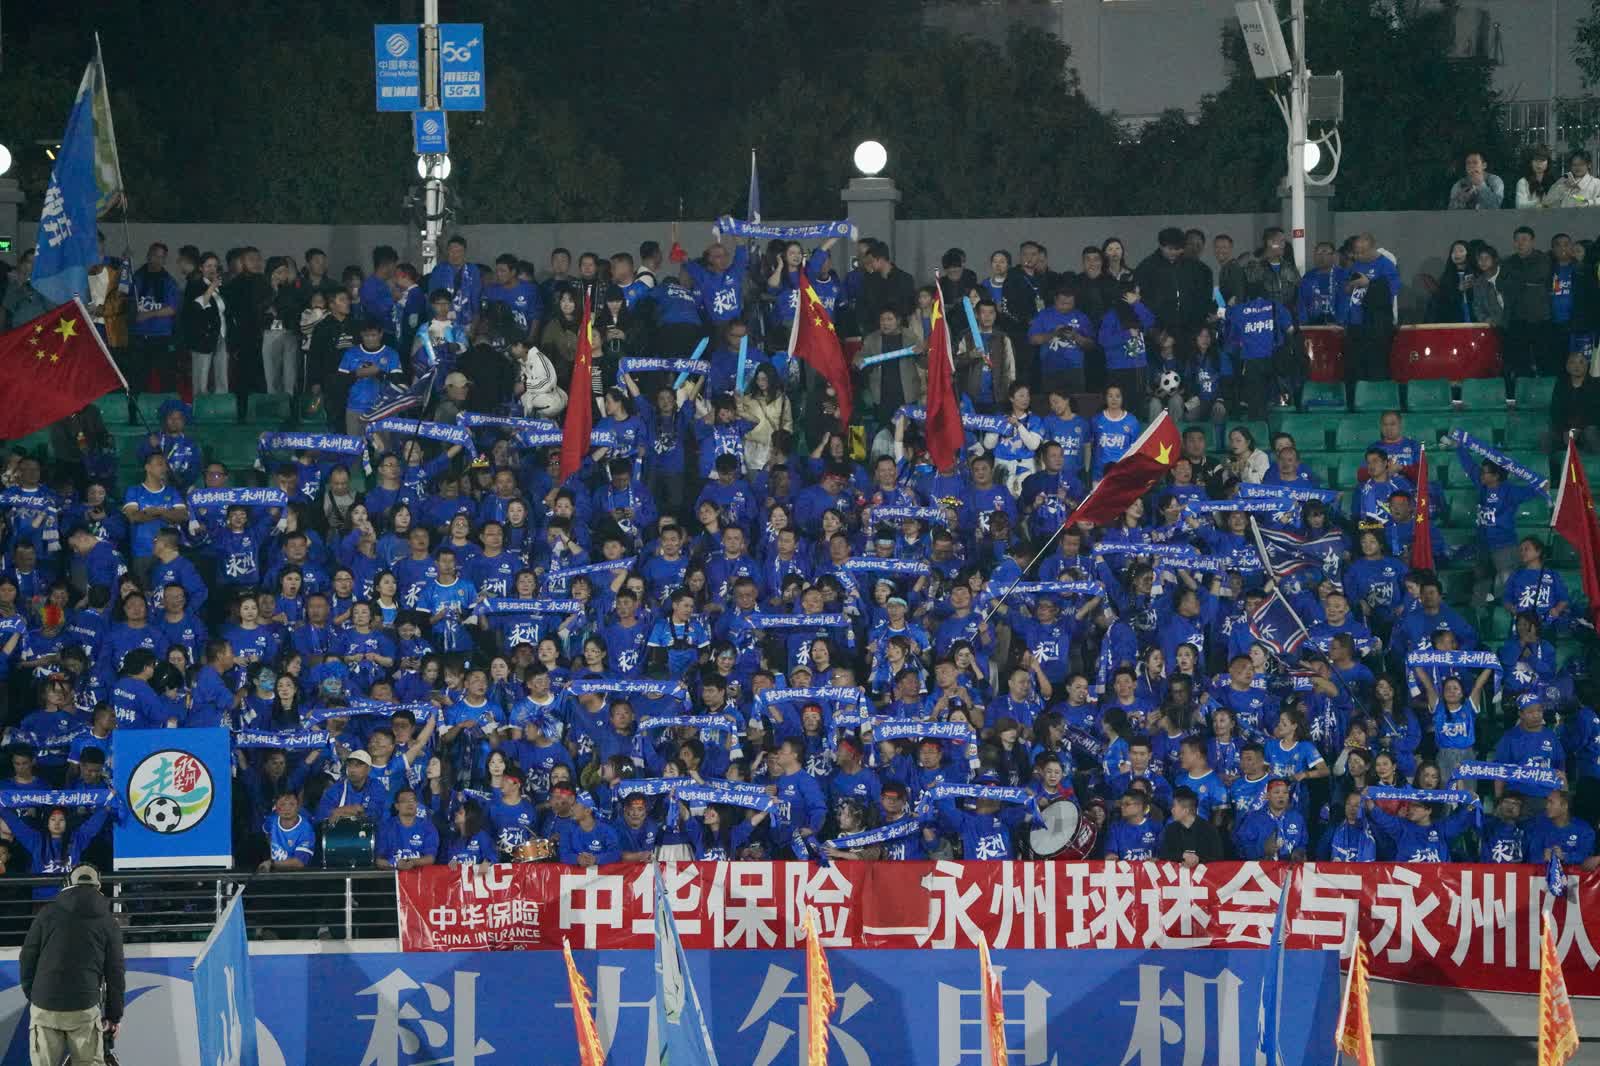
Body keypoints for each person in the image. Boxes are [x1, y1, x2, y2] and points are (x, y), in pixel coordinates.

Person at [19, 863, 124, 1065]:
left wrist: (34, 994)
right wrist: (114, 1016)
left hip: (44, 1003)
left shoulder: (46, 914)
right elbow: (115, 973)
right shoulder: (109, 922)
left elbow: (27, 958)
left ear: (68, 884)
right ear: (98, 886)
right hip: (84, 1006)